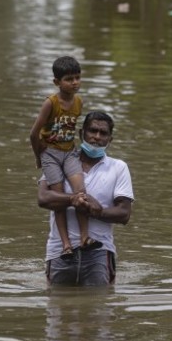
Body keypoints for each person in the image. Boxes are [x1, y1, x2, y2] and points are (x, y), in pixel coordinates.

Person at [37, 111, 134, 286]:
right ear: (82, 133)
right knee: (58, 309)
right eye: (92, 131)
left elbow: (124, 213)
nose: (96, 137)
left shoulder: (118, 167)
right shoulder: (59, 160)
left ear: (110, 139)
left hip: (99, 251)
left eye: (103, 133)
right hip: (60, 251)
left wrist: (96, 210)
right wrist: (75, 199)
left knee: (99, 310)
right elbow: (43, 198)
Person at [29, 56, 101, 260]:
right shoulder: (50, 103)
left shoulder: (78, 102)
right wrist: (38, 157)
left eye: (77, 78)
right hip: (50, 153)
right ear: (57, 82)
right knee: (58, 200)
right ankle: (66, 245)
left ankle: (84, 238)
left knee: (81, 192)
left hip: (69, 152)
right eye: (69, 79)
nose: (75, 83)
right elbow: (33, 134)